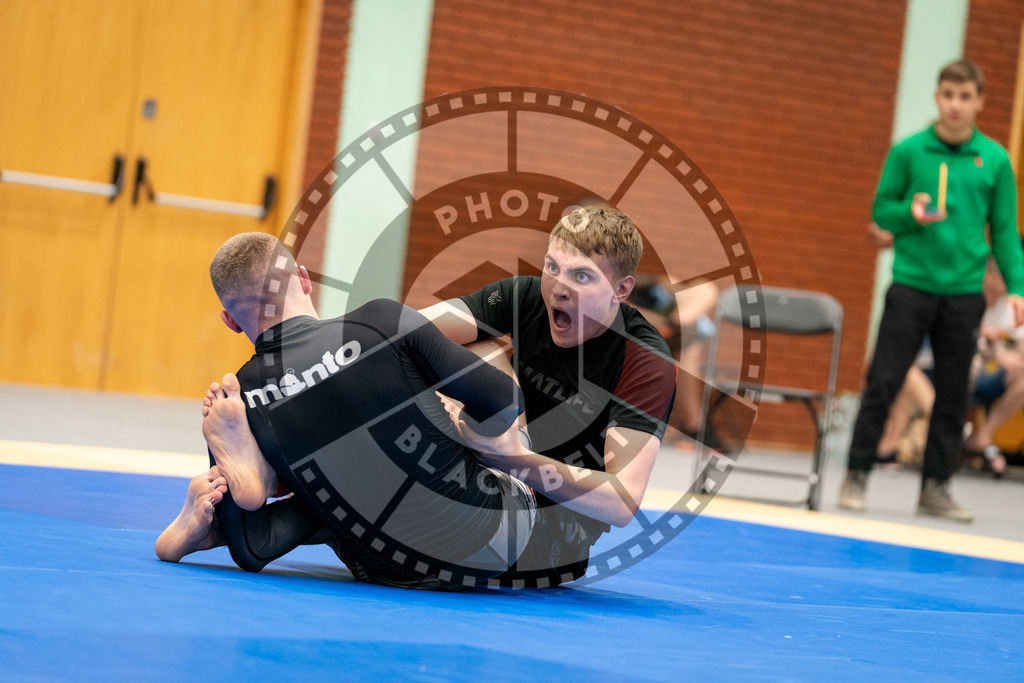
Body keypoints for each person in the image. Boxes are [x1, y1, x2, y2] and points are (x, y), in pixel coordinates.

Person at [157, 232, 537, 590]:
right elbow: (505, 399)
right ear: (304, 280)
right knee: (486, 351)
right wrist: (464, 434)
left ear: (230, 322)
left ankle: (241, 504)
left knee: (330, 491)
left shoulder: (238, 396)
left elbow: (253, 548)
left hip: (379, 567)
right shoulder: (381, 319)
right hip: (488, 541)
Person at [422, 205, 677, 587]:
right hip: (487, 470)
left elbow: (622, 501)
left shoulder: (644, 361)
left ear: (621, 290)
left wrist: (516, 460)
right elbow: (411, 332)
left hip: (555, 529)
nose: (558, 287)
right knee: (480, 346)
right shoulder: (526, 297)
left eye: (581, 276)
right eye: (552, 267)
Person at [839, 59, 1024, 521]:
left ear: (979, 102)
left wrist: (1017, 287)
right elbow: (881, 212)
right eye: (948, 95)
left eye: (965, 97)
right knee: (884, 379)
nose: (955, 105)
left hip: (964, 294)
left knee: (954, 394)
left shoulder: (995, 160)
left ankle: (936, 487)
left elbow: (1004, 231)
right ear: (938, 98)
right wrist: (910, 214)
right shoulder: (908, 151)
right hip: (911, 287)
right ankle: (857, 473)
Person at [962, 259, 1024, 476]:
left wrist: (1013, 354)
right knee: (967, 366)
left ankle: (982, 436)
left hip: (992, 375)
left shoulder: (1009, 306)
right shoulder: (967, 298)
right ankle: (955, 435)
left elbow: (1021, 343)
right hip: (962, 368)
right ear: (987, 278)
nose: (1006, 283)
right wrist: (996, 353)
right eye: (1001, 277)